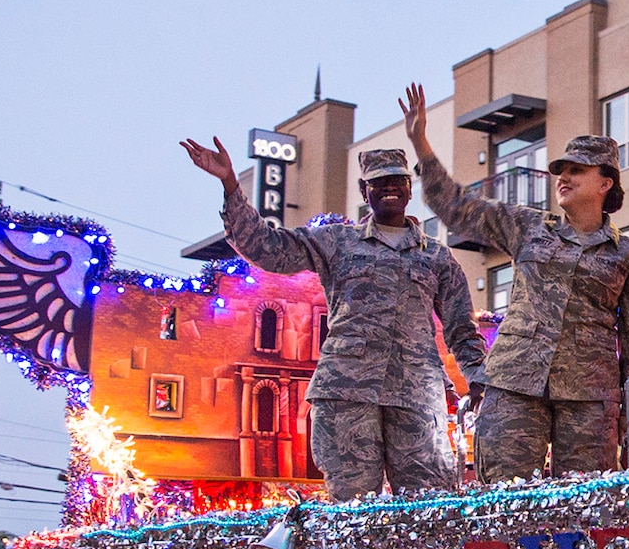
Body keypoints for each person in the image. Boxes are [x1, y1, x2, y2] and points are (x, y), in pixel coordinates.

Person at [181, 136, 486, 500]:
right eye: (378, 182)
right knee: (351, 508)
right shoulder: (337, 242)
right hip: (347, 395)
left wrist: (479, 379)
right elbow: (269, 247)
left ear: (409, 188)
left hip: (416, 398)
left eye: (396, 181)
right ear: (364, 189)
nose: (388, 188)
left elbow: (461, 328)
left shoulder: (437, 257)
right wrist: (231, 184)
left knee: (427, 506)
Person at [406, 89, 629, 481]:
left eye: (577, 170)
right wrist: (421, 144)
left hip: (588, 398)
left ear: (606, 183)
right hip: (514, 386)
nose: (563, 178)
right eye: (561, 170)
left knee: (584, 507)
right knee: (504, 502)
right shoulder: (527, 226)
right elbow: (456, 208)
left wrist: (627, 417)